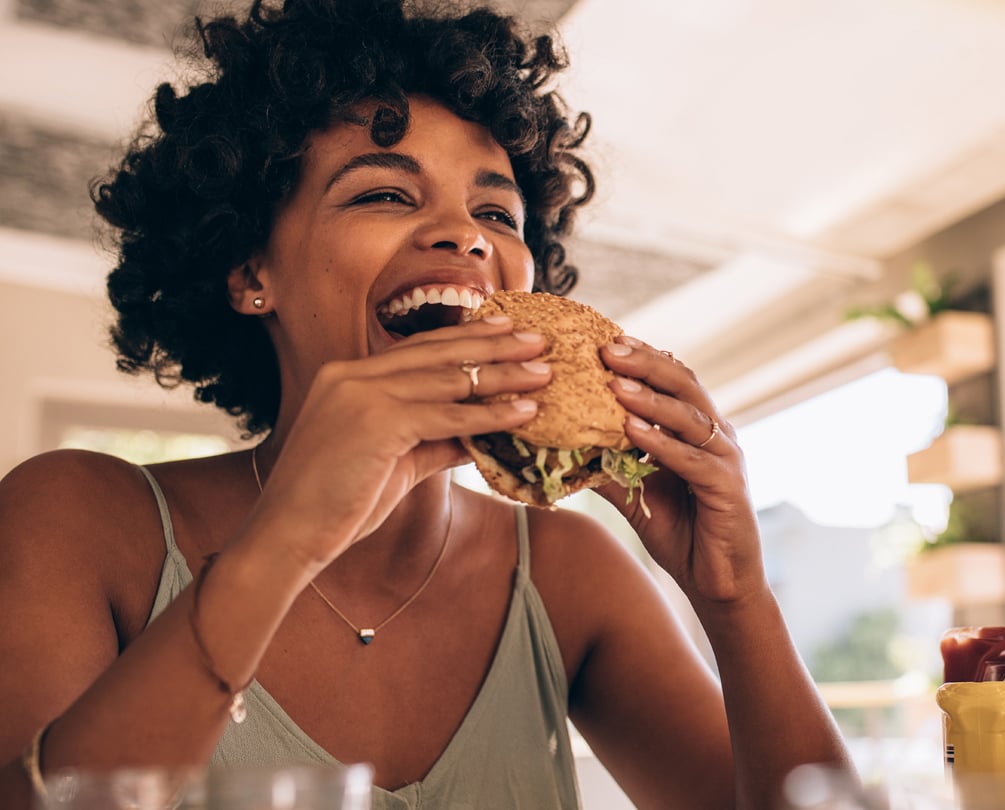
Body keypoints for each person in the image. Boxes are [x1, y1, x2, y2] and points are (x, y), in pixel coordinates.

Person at [0, 0, 854, 807]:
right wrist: (287, 541)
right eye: (383, 193)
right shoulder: (78, 517)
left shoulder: (567, 573)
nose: (467, 235)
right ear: (250, 272)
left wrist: (736, 596)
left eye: (497, 211)